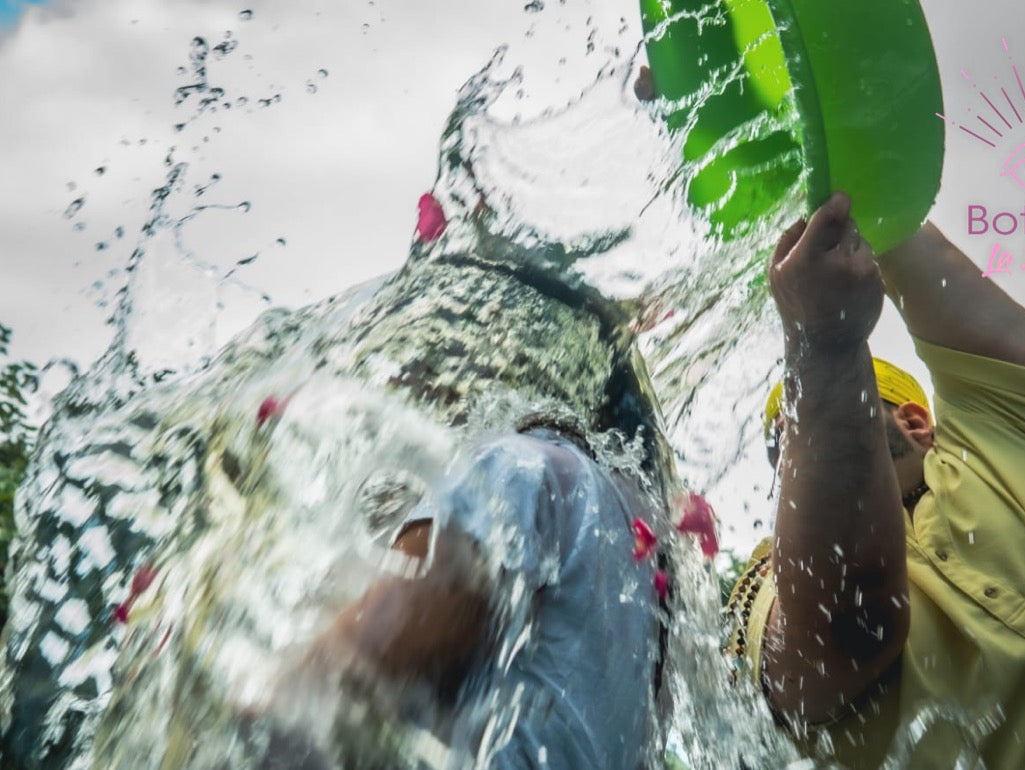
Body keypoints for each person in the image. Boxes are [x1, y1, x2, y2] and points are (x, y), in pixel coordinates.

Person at [2, 197, 679, 770]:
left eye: (444, 343)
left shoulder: (516, 472)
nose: (419, 375)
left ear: (505, 355)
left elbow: (331, 693)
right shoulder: (628, 567)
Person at [727, 191, 1025, 768]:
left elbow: (922, 259)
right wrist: (821, 348)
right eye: (787, 451)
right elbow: (845, 632)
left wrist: (844, 188)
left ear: (915, 422)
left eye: (848, 408)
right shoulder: (769, 581)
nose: (800, 455)